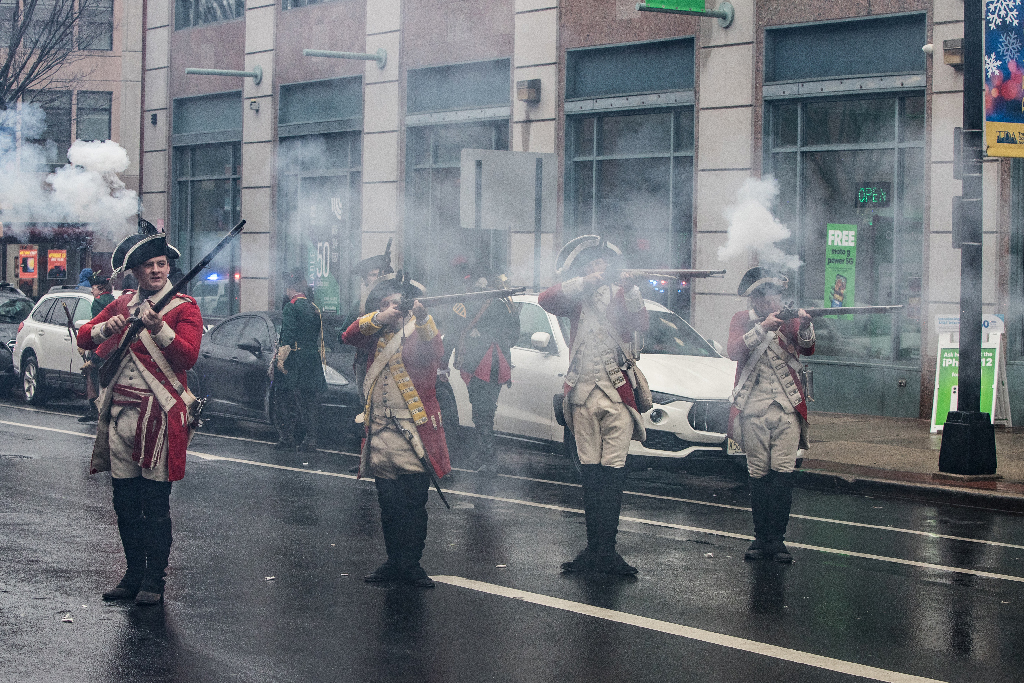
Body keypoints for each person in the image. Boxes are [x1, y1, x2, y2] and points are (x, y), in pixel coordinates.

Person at [77, 225, 203, 606]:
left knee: (155, 506)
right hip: (120, 416)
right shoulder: (123, 304)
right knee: (125, 504)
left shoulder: (184, 307)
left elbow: (187, 356)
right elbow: (85, 336)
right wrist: (107, 327)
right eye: (149, 265)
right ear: (136, 271)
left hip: (159, 416)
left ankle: (154, 580)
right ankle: (133, 574)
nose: (157, 271)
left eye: (161, 264)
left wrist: (158, 327)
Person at [538, 235, 648, 575]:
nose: (599, 268)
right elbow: (546, 299)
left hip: (618, 397)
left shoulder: (622, 294)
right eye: (592, 264)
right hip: (582, 395)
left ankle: (607, 551)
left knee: (613, 474)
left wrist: (630, 288)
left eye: (603, 263)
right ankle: (593, 549)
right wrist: (587, 281)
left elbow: (640, 324)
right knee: (590, 474)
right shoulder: (576, 296)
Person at [342, 273, 450, 588]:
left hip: (414, 432)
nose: (392, 309)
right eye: (386, 304)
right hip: (381, 433)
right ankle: (394, 562)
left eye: (395, 305)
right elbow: (348, 335)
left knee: (414, 503)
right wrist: (379, 318)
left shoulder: (421, 331)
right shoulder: (374, 333)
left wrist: (422, 317)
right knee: (389, 504)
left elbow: (435, 351)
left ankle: (411, 564)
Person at [727, 267, 814, 564]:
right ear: (756, 299)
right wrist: (763, 327)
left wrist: (804, 324)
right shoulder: (742, 320)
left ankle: (777, 540)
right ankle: (761, 538)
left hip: (788, 408)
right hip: (752, 408)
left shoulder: (789, 319)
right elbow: (734, 351)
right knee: (758, 474)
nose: (774, 300)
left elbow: (808, 348)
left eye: (776, 295)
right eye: (767, 296)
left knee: (783, 474)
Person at [449, 268, 519, 471]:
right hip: (490, 363)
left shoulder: (479, 303)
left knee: (482, 413)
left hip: (484, 364)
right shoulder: (503, 303)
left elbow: (456, 330)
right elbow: (513, 335)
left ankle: (489, 460)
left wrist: (480, 334)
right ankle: (484, 455)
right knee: (483, 412)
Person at [273, 270, 327, 452]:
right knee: (309, 401)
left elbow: (287, 337)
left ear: (290, 288)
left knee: (284, 399)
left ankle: (287, 438)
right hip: (312, 359)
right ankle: (311, 440)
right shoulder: (313, 307)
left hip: (295, 361)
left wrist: (280, 360)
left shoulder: (291, 307)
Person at [77, 273, 116, 423]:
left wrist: (88, 346)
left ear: (100, 288)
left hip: (100, 346)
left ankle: (95, 410)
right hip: (114, 347)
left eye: (93, 288)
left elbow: (97, 326)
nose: (92, 291)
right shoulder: (114, 300)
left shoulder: (98, 302)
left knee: (92, 376)